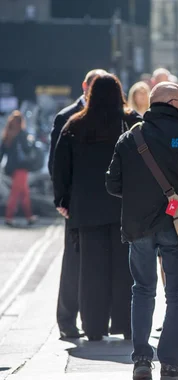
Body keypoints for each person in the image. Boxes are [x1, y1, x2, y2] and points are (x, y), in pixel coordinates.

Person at [106, 82, 178, 380]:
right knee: (176, 295)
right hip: (177, 226)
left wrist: (140, 194)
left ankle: (141, 359)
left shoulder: (130, 137)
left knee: (142, 289)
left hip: (138, 226)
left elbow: (113, 185)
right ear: (173, 102)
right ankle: (171, 366)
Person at [53, 75, 140, 341]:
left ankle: (93, 328)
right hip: (124, 207)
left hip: (87, 210)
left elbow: (60, 168)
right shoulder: (130, 123)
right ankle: (126, 325)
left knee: (91, 271)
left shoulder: (74, 125)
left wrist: (62, 201)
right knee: (125, 271)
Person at [50, 68, 106, 339]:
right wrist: (61, 199)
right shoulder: (65, 116)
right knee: (73, 262)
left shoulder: (110, 114)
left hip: (102, 203)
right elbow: (56, 164)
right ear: (84, 86)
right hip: (75, 203)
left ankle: (93, 319)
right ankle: (66, 320)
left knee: (96, 264)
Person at [0, 111, 36, 226]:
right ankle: (9, 217)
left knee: (24, 193)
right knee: (16, 193)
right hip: (21, 167)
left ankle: (29, 216)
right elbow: (27, 149)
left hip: (11, 168)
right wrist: (31, 141)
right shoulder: (22, 134)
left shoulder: (7, 134)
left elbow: (2, 152)